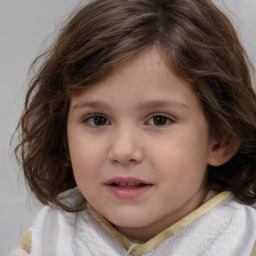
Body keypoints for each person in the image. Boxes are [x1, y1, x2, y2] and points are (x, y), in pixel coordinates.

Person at [12, 0, 256, 255]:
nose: (123, 150)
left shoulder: (243, 242)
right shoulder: (46, 243)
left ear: (221, 139)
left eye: (159, 120)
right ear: (64, 139)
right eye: (98, 120)